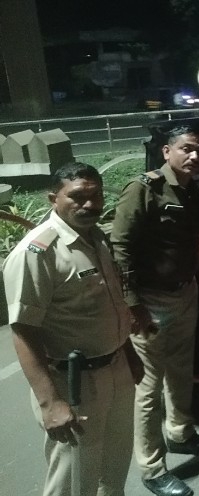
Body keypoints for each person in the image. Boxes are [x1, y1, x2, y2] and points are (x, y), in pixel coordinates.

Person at [110, 125, 199, 496]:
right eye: (186, 149)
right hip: (150, 299)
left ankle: (180, 434)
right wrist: (132, 305)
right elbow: (120, 248)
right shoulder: (143, 189)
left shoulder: (192, 189)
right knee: (149, 387)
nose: (195, 156)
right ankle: (152, 469)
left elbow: (193, 243)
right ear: (167, 151)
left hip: (185, 293)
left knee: (182, 369)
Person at [3, 162, 143, 496]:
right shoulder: (37, 253)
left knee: (114, 470)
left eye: (97, 195)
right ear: (54, 198)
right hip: (74, 382)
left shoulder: (96, 238)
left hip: (116, 369)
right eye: (78, 196)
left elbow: (111, 304)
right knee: (74, 480)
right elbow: (24, 331)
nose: (90, 204)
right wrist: (50, 403)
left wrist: (129, 353)